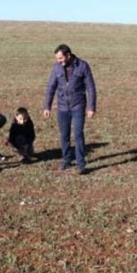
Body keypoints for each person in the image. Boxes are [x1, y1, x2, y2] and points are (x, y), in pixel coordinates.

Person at [43, 44, 97, 175]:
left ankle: (81, 164)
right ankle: (66, 159)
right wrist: (47, 106)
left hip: (78, 106)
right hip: (62, 107)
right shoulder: (56, 68)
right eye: (57, 58)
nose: (58, 61)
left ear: (68, 55)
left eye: (60, 58)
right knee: (64, 135)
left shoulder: (83, 66)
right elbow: (51, 87)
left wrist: (91, 107)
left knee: (78, 135)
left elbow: (91, 87)